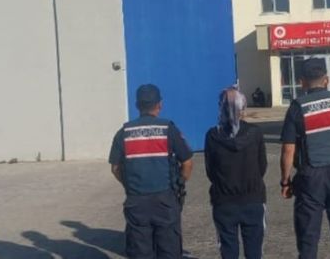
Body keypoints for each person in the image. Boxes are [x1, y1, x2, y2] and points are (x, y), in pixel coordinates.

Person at [279, 58, 330, 259]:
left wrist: (285, 181)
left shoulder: (297, 107)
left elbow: (288, 149)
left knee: (308, 241)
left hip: (310, 177)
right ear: (326, 79)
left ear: (302, 82)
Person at [109, 84, 193, 259]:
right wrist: (179, 183)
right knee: (169, 250)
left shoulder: (124, 132)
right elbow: (187, 163)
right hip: (166, 200)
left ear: (137, 105)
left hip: (136, 201)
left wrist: (129, 184)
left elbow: (115, 168)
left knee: (140, 252)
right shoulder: (168, 129)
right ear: (159, 104)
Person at [205, 87, 267, 259]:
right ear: (242, 107)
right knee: (254, 250)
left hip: (224, 200)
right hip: (253, 198)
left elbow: (210, 170)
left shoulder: (212, 135)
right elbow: (262, 166)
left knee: (228, 249)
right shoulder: (255, 133)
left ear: (221, 108)